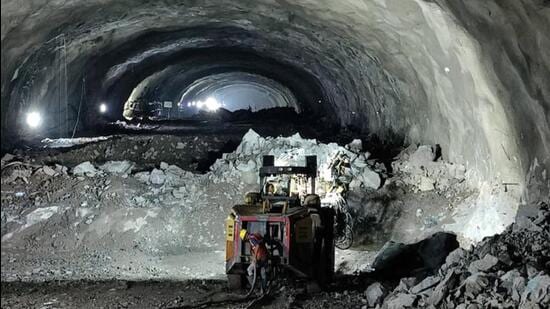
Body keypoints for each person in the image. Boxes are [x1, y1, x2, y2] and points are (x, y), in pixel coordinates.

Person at [240, 229, 269, 293]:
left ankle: (256, 289)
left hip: (259, 258)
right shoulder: (255, 235)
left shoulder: (251, 238)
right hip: (264, 257)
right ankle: (263, 291)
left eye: (245, 239)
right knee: (263, 274)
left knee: (249, 270)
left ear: (245, 236)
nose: (246, 240)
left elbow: (257, 245)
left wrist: (255, 257)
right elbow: (261, 242)